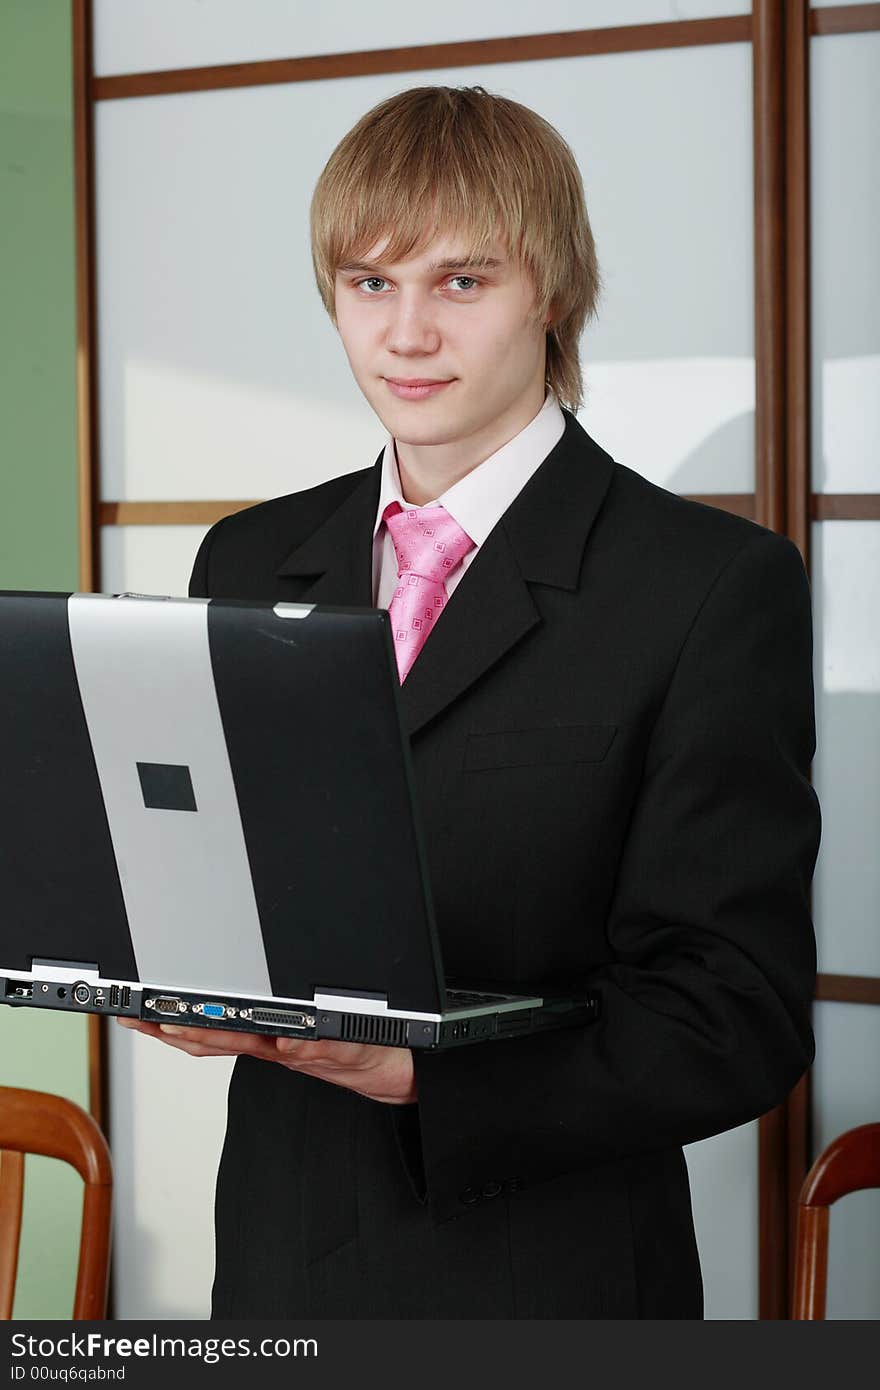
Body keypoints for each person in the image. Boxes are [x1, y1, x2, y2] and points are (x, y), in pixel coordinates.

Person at [120, 85, 821, 1318]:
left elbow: (734, 1015)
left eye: (460, 283)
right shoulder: (246, 558)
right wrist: (161, 963)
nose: (405, 336)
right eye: (368, 283)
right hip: (279, 1266)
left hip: (544, 1279)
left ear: (549, 290)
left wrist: (414, 1077)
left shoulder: (706, 588)